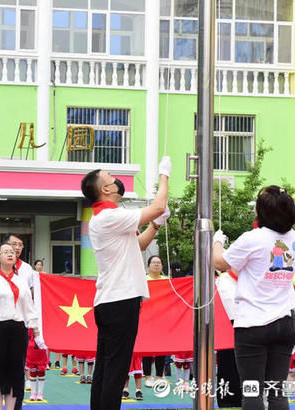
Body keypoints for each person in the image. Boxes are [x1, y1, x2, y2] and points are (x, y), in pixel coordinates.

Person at [81, 156, 171, 410]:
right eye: (110, 178)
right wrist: (164, 175)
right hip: (120, 301)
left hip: (112, 300)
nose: (116, 180)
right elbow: (157, 205)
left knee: (107, 367)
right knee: (116, 369)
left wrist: (155, 224)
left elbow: (138, 245)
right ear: (105, 190)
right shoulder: (108, 216)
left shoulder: (111, 216)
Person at [213, 185, 295, 410]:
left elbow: (219, 263)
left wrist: (217, 242)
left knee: (252, 392)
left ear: (261, 212)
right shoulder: (294, 238)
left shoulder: (253, 238)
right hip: (285, 322)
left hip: (254, 325)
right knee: (276, 392)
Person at [0, 242, 45, 410]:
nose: (10, 254)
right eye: (6, 252)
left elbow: (30, 310)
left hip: (18, 330)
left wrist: (37, 334)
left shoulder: (21, 282)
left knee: (15, 373)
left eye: (12, 252)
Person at [143, 255, 169, 388]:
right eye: (153, 262)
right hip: (146, 318)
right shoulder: (143, 280)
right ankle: (147, 375)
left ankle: (160, 375)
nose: (156, 265)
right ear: (148, 266)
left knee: (161, 348)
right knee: (146, 347)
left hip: (162, 318)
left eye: (159, 262)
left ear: (162, 266)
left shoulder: (167, 281)